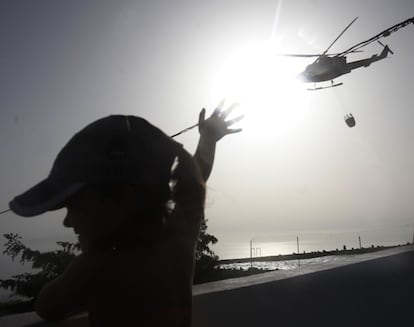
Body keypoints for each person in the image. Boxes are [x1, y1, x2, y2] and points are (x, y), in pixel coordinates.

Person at [9, 102, 242, 327]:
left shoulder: (95, 267)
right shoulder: (177, 241)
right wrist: (208, 138)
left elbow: (47, 306)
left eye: (74, 206)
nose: (67, 221)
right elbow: (194, 182)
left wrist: (83, 267)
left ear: (122, 199)